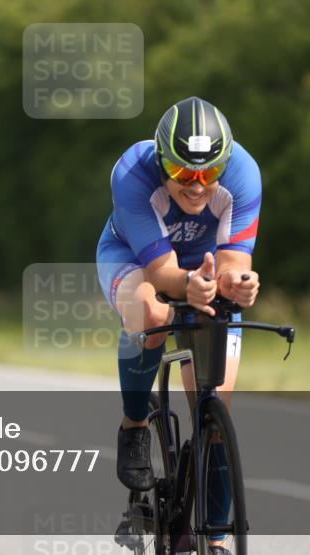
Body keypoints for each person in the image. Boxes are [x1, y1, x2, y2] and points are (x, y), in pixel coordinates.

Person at [96, 97, 261, 554]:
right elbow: (160, 274)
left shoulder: (244, 174)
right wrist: (189, 284)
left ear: (224, 165)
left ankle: (218, 538)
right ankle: (133, 426)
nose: (196, 186)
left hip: (200, 270)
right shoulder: (132, 171)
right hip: (134, 258)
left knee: (214, 410)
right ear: (161, 159)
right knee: (149, 314)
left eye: (209, 174)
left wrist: (237, 284)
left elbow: (232, 263)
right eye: (184, 173)